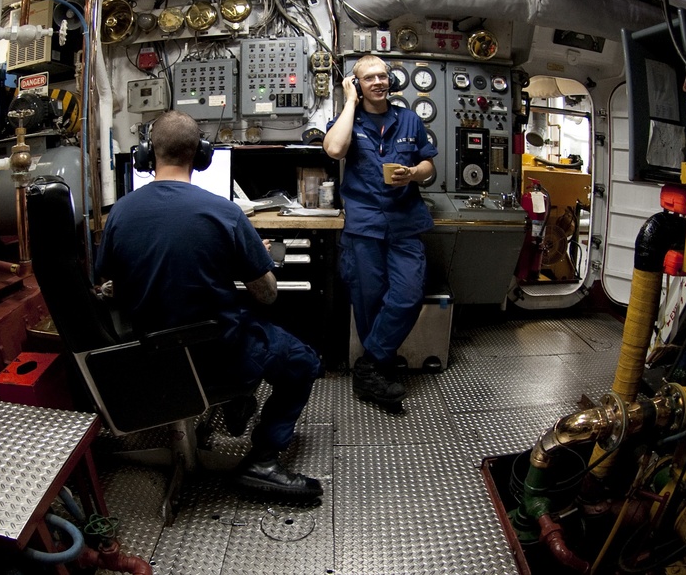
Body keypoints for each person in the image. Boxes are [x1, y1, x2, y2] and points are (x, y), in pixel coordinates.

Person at [96, 110, 323, 500]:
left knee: (240, 326)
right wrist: (253, 261)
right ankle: (263, 460)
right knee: (303, 362)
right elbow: (268, 294)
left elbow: (107, 285)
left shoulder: (119, 213)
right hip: (215, 354)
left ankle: (238, 401)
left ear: (149, 156)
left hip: (146, 356)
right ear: (201, 156)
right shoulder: (226, 213)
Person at [324, 55, 438, 412]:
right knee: (369, 303)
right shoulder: (349, 119)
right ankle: (378, 374)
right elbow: (334, 149)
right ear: (357, 84)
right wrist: (349, 102)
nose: (378, 82)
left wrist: (415, 173)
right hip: (365, 225)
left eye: (382, 76)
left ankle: (369, 364)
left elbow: (429, 166)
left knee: (408, 295)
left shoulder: (408, 119)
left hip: (405, 222)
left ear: (392, 81)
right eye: (368, 78)